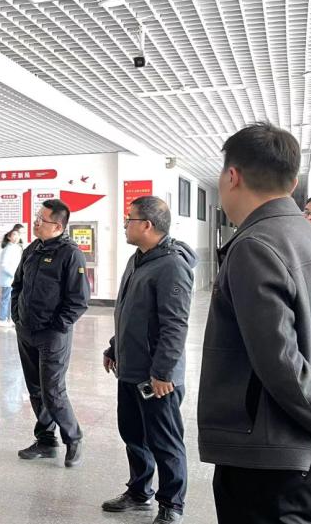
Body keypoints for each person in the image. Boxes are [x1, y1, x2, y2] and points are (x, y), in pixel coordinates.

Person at [197, 123, 311, 524]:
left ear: (231, 176)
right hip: (310, 450)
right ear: (293, 183)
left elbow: (280, 361)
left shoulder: (255, 245)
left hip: (268, 459)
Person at [103, 196, 195, 524]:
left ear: (147, 225)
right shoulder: (138, 259)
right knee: (133, 434)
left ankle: (172, 503)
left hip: (157, 376)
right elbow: (130, 311)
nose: (125, 224)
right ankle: (139, 490)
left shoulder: (172, 266)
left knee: (164, 440)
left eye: (129, 219)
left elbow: (175, 325)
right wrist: (114, 347)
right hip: (131, 368)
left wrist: (163, 372)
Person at [11, 198, 90, 467]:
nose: (35, 222)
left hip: (52, 335)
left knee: (53, 391)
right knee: (35, 389)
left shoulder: (70, 254)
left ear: (57, 226)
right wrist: (17, 316)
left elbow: (79, 300)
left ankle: (73, 438)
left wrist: (57, 326)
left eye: (41, 219)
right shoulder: (33, 249)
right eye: (36, 217)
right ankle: (45, 440)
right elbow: (17, 285)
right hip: (26, 330)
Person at [0, 229, 23, 326]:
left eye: (18, 235)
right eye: (14, 235)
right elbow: (3, 265)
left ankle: (10, 319)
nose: (16, 237)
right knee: (5, 299)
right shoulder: (7, 249)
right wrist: (14, 274)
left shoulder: (16, 248)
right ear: (9, 237)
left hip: (13, 279)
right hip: (8, 279)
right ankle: (2, 319)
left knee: (11, 300)